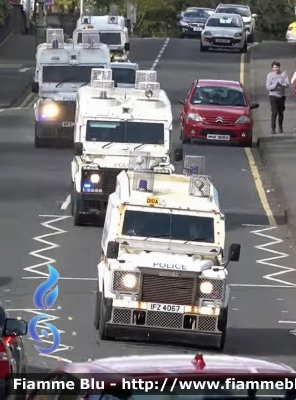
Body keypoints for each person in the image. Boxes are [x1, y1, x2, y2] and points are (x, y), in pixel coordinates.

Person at [266, 61, 289, 134]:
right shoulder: (270, 75)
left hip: (281, 96)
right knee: (274, 112)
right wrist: (275, 85)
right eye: (274, 67)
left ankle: (280, 127)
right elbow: (268, 87)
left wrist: (281, 84)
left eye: (277, 67)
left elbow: (287, 84)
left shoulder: (283, 74)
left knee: (281, 112)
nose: (276, 69)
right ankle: (273, 128)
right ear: (272, 68)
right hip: (273, 96)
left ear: (279, 67)